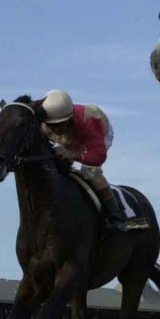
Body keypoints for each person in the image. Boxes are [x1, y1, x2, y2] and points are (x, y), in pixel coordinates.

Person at [40, 89, 128, 231]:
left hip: (96, 134)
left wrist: (74, 155)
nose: (56, 129)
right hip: (72, 134)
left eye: (60, 124)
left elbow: (99, 156)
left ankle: (115, 217)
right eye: (51, 125)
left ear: (69, 119)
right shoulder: (43, 125)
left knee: (90, 172)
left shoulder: (89, 122)